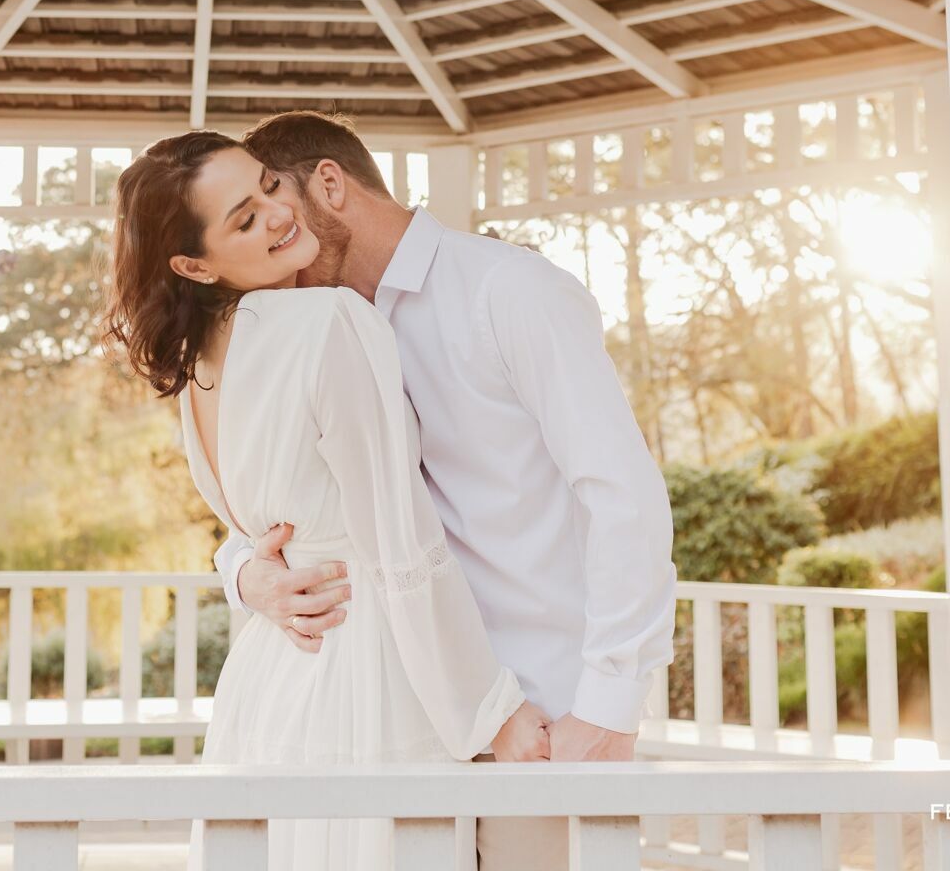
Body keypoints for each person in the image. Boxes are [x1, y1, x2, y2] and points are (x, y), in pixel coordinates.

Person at [217, 110, 678, 871]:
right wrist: (244, 574)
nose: (270, 237)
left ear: (329, 184)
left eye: (275, 204)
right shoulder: (313, 334)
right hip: (391, 727)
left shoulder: (509, 289)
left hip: (540, 724)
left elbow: (623, 495)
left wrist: (607, 705)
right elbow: (275, 508)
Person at [102, 131, 551, 871]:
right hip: (364, 666)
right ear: (195, 264)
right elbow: (399, 543)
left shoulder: (202, 364)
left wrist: (244, 572)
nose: (279, 213)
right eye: (245, 219)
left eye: (268, 186)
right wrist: (491, 710)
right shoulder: (329, 321)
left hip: (269, 684)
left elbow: (256, 528)